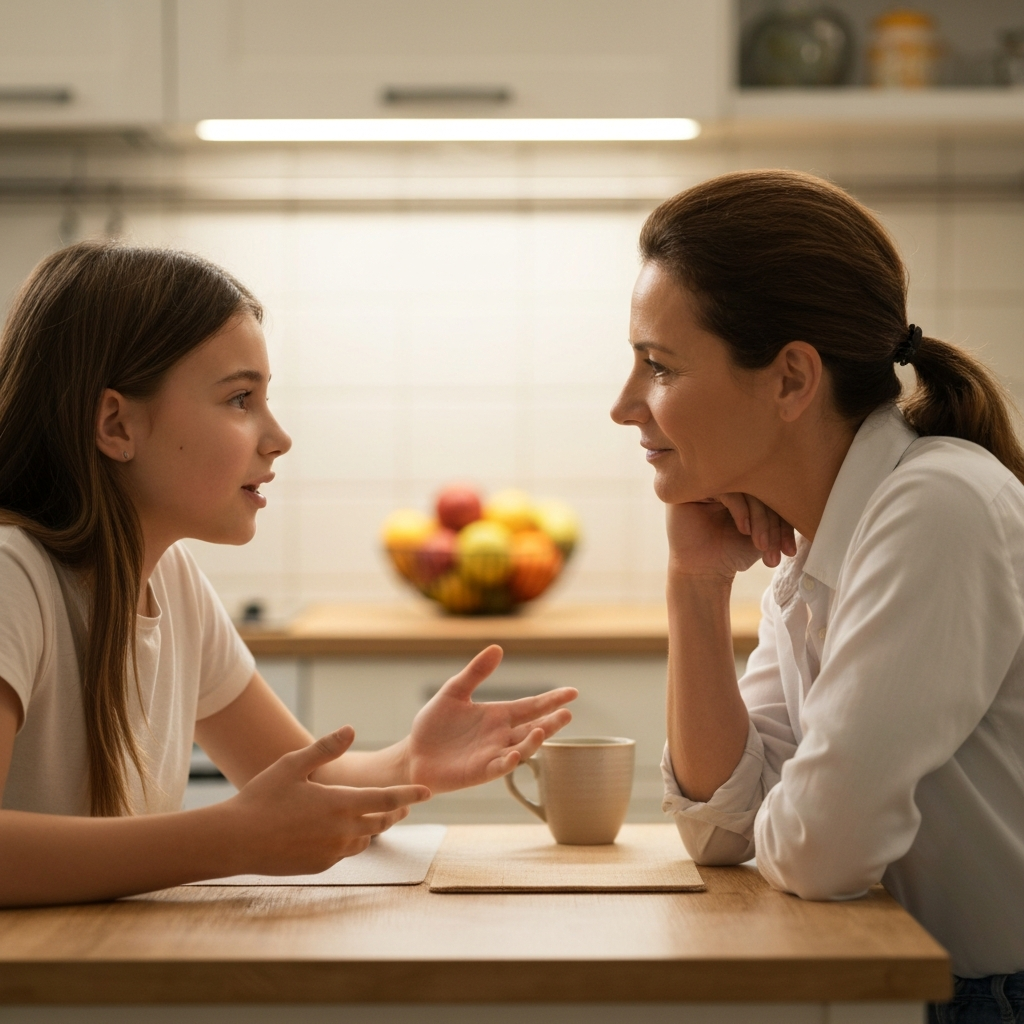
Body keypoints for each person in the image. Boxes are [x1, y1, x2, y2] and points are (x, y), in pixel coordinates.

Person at [0, 241, 576, 907]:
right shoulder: (14, 576)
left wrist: (410, 763)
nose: (277, 437)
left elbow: (304, 780)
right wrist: (229, 839)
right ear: (115, 424)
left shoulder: (173, 581)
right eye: (240, 398)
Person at [611, 170, 1024, 1023]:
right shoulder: (823, 539)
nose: (625, 406)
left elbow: (819, 850)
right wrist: (695, 585)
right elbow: (724, 831)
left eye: (658, 366)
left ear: (792, 379)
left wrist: (786, 811)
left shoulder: (935, 507)